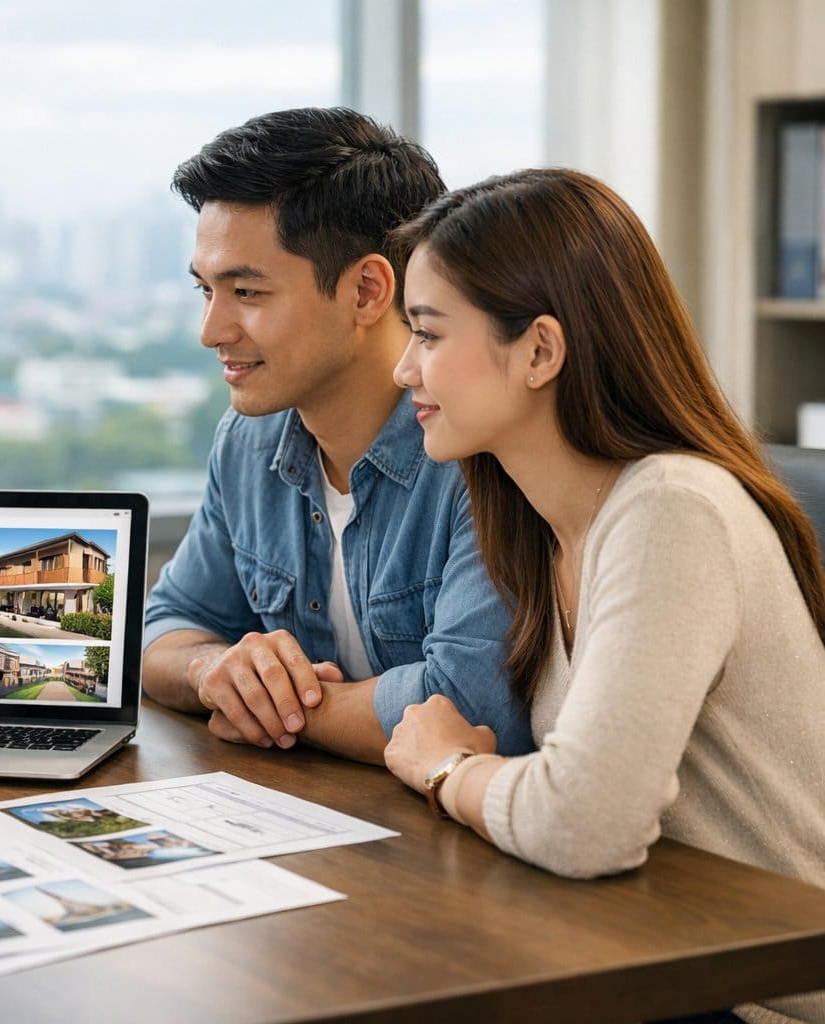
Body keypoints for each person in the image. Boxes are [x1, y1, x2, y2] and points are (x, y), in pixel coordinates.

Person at [384, 167, 825, 1024]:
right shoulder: (547, 526)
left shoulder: (671, 509)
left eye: (429, 334)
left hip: (765, 1001)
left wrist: (445, 767)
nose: (404, 368)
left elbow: (584, 824)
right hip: (657, 960)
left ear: (541, 351)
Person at [143, 107, 530, 762]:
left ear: (367, 291)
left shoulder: (484, 450)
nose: (211, 330)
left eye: (246, 291)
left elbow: (474, 708)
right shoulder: (248, 442)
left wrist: (274, 708)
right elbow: (162, 632)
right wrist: (215, 671)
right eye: (205, 290)